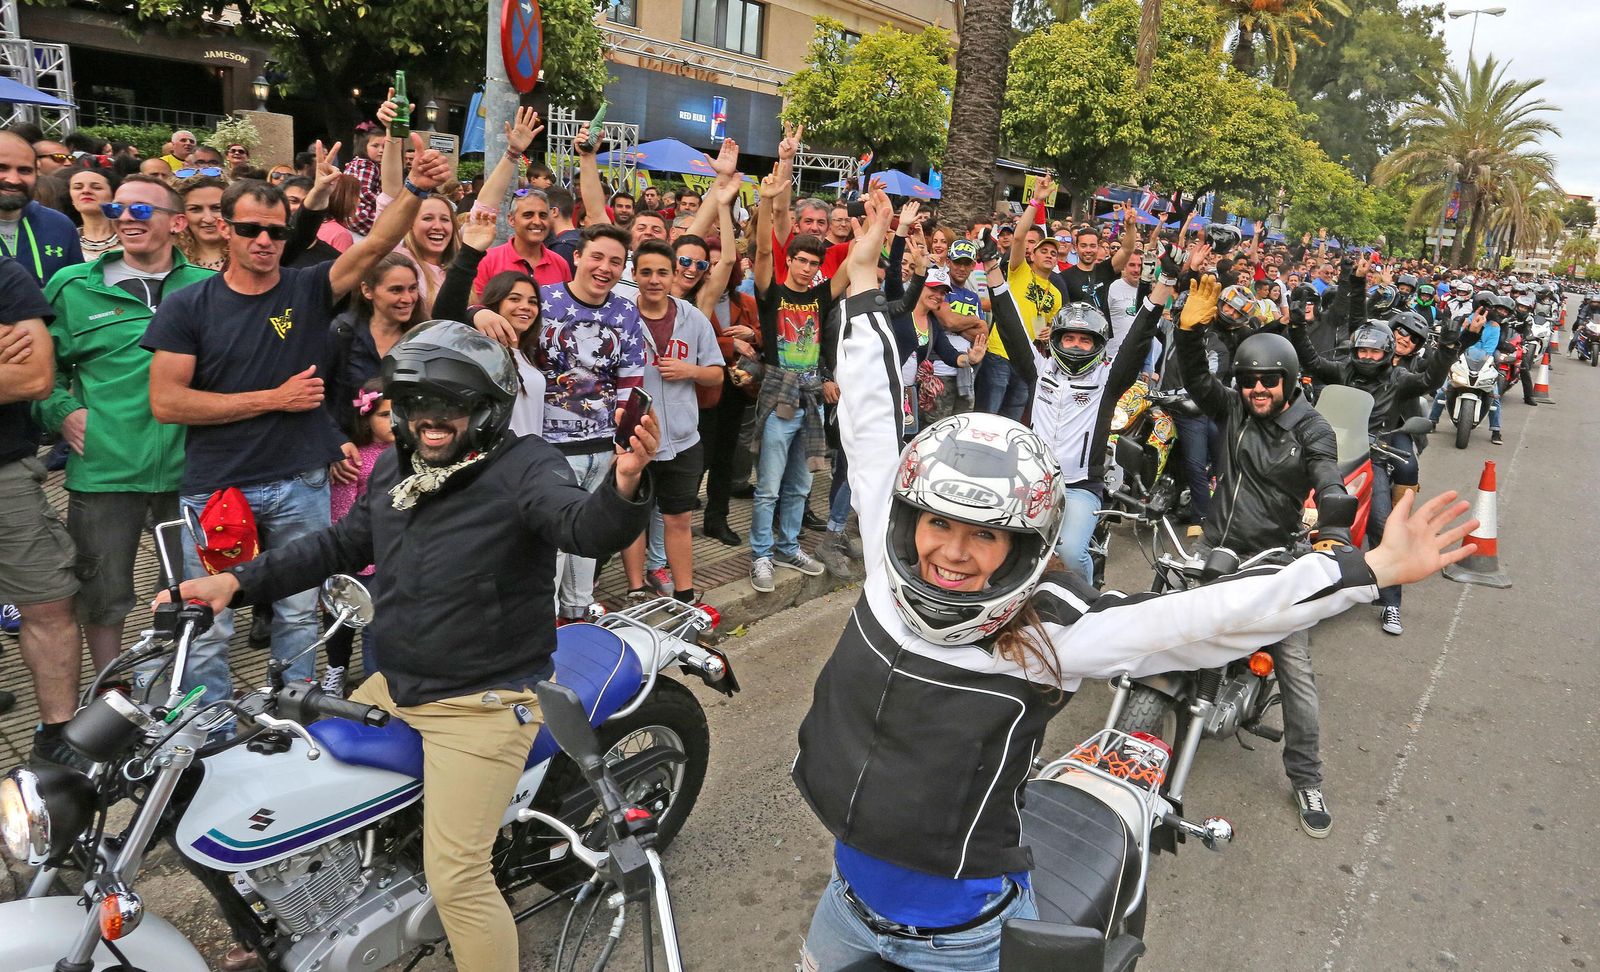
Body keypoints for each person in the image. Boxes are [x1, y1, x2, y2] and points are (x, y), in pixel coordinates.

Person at [794, 188, 1481, 972]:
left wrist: (1368, 569)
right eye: (940, 523)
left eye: (986, 533)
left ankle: (1308, 775)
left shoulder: (1048, 635)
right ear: (908, 520)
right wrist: (861, 278)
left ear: (1024, 545)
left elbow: (1202, 621)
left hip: (963, 942)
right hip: (842, 910)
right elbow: (870, 426)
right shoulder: (885, 570)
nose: (953, 552)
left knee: (1292, 670)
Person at [166, 321, 657, 972]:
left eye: (450, 404)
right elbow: (341, 544)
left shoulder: (526, 466)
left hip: (483, 702)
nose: (431, 417)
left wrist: (623, 484)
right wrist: (235, 582)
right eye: (418, 402)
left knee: (459, 878)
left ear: (487, 409)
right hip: (394, 684)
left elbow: (580, 525)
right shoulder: (399, 468)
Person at [143, 137, 454, 712]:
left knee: (300, 610)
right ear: (224, 230)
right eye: (250, 229)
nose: (264, 240)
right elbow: (167, 402)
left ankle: (294, 716)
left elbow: (377, 243)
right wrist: (273, 399)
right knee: (209, 619)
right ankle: (209, 728)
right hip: (218, 487)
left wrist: (415, 188)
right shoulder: (189, 305)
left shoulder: (307, 288)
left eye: (276, 231)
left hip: (301, 482)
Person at [1174, 273, 1349, 836]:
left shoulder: (1311, 426)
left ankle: (1307, 778)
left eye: (1268, 380)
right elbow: (1197, 380)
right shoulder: (1233, 410)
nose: (1257, 389)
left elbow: (1327, 474)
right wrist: (1188, 333)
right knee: (1164, 625)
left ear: (1289, 381)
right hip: (1216, 548)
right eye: (1248, 380)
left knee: (1296, 672)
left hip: (1274, 560)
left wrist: (1334, 522)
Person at [33, 175, 212, 725]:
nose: (126, 218)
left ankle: (168, 689)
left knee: (183, 591)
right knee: (103, 594)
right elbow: (39, 369)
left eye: (141, 209)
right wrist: (62, 412)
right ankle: (112, 694)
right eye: (117, 209)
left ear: (176, 222)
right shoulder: (72, 286)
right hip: (104, 468)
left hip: (190, 469)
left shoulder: (208, 287)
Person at [988, 239, 1167, 584]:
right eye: (1069, 338)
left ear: (1098, 345)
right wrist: (992, 269)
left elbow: (1139, 336)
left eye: (1085, 340)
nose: (1076, 345)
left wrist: (1166, 282)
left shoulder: (1107, 380)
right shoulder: (1040, 370)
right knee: (1002, 541)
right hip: (1033, 479)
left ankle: (1086, 601)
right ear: (1056, 340)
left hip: (1081, 487)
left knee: (1069, 552)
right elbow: (1010, 324)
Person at [1289, 309, 1472, 637]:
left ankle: (1390, 602)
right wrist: (1298, 325)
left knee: (1384, 525)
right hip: (1325, 452)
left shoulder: (1398, 378)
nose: (1367, 356)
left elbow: (1429, 381)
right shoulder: (1343, 369)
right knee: (1283, 501)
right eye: (1362, 350)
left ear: (1386, 352)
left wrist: (1447, 348)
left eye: (1374, 352)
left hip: (1370, 455)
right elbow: (1312, 361)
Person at [533, 222, 647, 623]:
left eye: (615, 261)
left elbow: (631, 378)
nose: (605, 268)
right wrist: (478, 312)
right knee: (551, 544)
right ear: (577, 256)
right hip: (547, 447)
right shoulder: (541, 299)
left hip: (601, 448)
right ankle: (543, 624)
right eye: (596, 256)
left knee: (588, 539)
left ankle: (578, 615)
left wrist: (623, 437)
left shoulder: (626, 312)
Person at [747, 163, 847, 592]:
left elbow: (854, 264)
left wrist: (881, 223)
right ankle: (761, 554)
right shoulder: (772, 294)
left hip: (812, 400)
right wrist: (768, 199)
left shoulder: (822, 296)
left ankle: (788, 547)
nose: (806, 268)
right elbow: (762, 253)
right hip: (778, 397)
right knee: (768, 487)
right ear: (789, 260)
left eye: (813, 262)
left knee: (800, 484)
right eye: (800, 260)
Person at [0, 257, 83, 753]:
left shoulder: (4, 276)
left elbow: (34, 379)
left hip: (5, 471)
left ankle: (57, 736)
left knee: (49, 602)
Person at [619, 239, 723, 606]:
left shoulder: (691, 317)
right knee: (632, 518)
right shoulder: (621, 316)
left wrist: (689, 370)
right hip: (634, 438)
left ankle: (685, 595)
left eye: (662, 272)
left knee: (678, 518)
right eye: (646, 272)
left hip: (682, 439)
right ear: (634, 275)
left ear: (673, 274)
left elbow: (716, 373)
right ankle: (635, 589)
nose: (654, 279)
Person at [320, 376, 393, 697]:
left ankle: (376, 684)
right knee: (343, 618)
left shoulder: (411, 453)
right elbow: (342, 512)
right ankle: (337, 669)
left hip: (393, 554)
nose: (394, 421)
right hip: (359, 557)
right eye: (385, 414)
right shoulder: (356, 458)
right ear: (365, 417)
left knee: (378, 626)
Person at [0, 130, 84, 286]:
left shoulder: (59, 225)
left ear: (37, 173)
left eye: (24, 170)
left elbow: (75, 291)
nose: (13, 180)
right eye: (2, 168)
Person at [176, 173, 228, 271]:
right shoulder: (169, 258)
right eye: (195, 209)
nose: (208, 219)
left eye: (217, 208)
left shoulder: (249, 255)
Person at [66, 166, 119, 256]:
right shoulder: (64, 241)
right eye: (78, 188)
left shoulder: (131, 237)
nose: (86, 191)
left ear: (113, 196)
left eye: (96, 187)